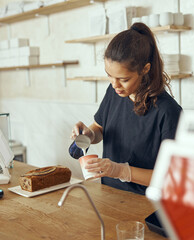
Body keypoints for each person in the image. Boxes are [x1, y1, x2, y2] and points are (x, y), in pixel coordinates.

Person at [71, 22, 182, 195]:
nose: (115, 85)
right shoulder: (114, 92)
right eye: (109, 76)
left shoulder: (168, 112)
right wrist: (89, 134)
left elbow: (172, 177)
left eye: (123, 79)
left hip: (145, 204)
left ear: (145, 69)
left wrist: (121, 171)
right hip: (109, 194)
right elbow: (100, 127)